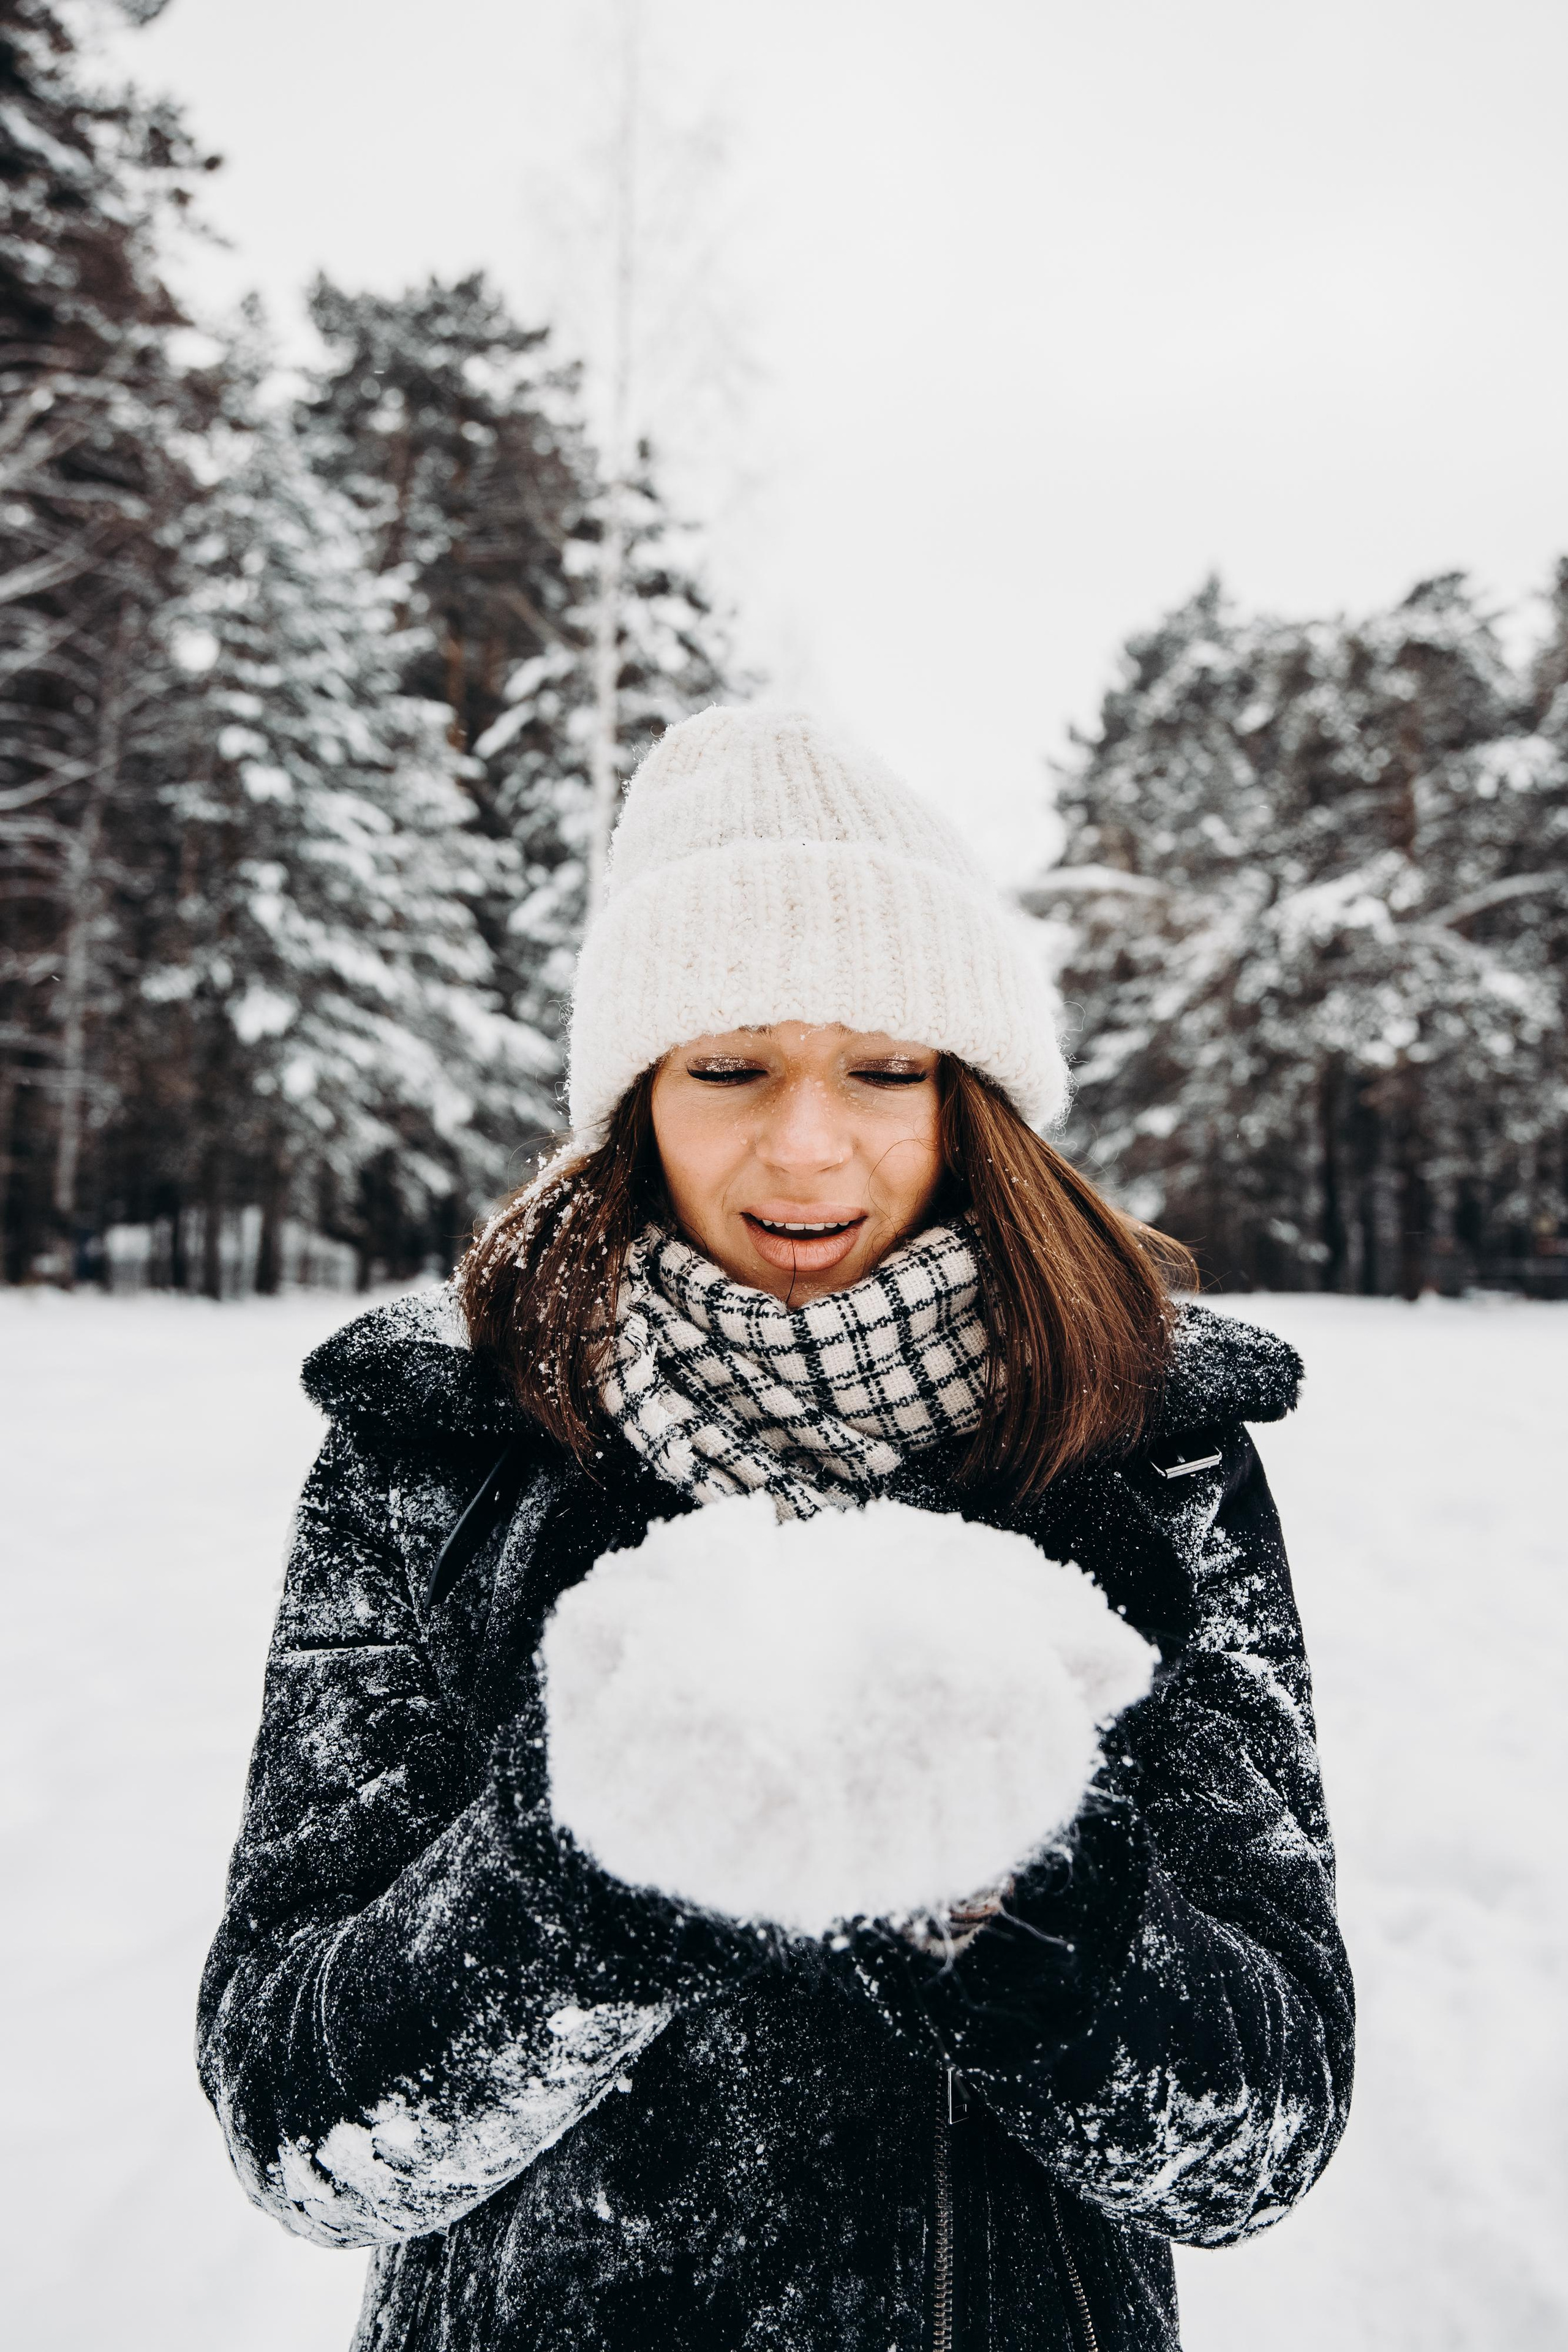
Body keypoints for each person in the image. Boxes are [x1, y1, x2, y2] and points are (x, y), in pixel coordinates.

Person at [198, 707, 1352, 2351]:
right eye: (731, 1066)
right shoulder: (441, 1457)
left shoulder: (1144, 1456)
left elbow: (1264, 2131)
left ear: (977, 1101)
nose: (808, 1146)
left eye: (884, 1069)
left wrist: (1014, 1892)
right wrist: (585, 1873)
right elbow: (301, 2128)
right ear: (637, 1096)